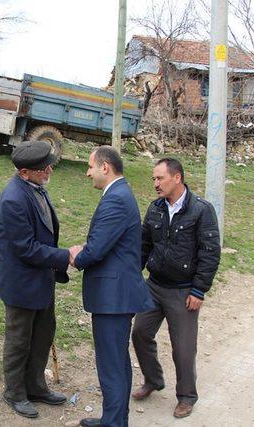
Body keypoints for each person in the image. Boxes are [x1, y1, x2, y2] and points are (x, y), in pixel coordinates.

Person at [69, 146, 154, 427]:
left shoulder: (116, 199)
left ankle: (114, 423)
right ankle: (115, 418)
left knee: (111, 364)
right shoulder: (118, 194)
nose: (87, 172)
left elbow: (96, 250)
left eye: (90, 166)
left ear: (105, 167)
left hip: (113, 297)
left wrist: (76, 256)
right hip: (115, 295)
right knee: (115, 360)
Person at [131, 158, 221, 419]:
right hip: (154, 286)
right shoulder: (155, 208)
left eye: (160, 178)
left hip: (183, 291)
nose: (155, 184)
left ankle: (186, 396)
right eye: (154, 179)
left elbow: (210, 253)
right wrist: (133, 276)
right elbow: (143, 245)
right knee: (140, 332)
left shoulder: (201, 210)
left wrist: (199, 290)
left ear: (177, 177)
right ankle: (153, 379)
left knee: (183, 347)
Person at [0, 140, 70, 418]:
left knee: (42, 334)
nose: (49, 169)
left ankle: (36, 387)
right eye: (43, 168)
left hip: (42, 280)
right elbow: (25, 248)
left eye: (49, 164)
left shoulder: (35, 186)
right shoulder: (13, 199)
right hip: (22, 285)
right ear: (24, 172)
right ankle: (14, 392)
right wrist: (65, 256)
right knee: (19, 341)